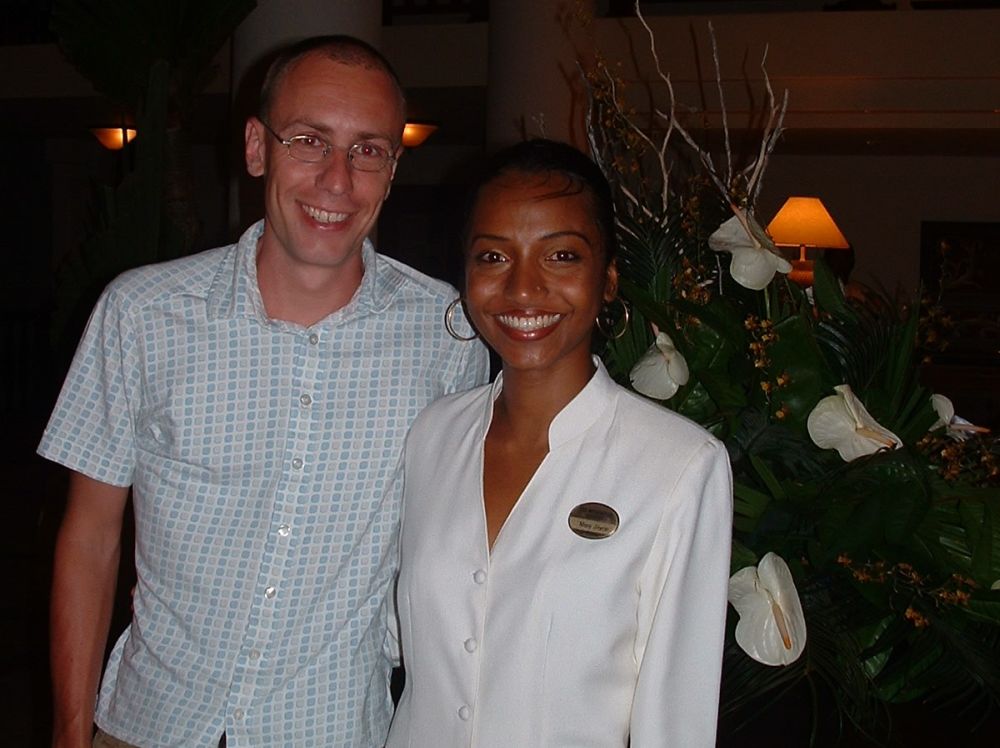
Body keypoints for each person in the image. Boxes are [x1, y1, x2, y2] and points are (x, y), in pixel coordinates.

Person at [40, 35, 488, 748]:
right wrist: (70, 736)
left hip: (332, 728)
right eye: (310, 141)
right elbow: (90, 537)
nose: (337, 180)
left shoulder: (450, 335)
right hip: (150, 723)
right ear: (257, 148)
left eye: (368, 150)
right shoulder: (142, 313)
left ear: (392, 171)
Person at [386, 139, 733, 747]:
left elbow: (677, 720)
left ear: (608, 279)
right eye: (494, 256)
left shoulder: (679, 465)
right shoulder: (431, 436)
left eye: (561, 256)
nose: (523, 288)